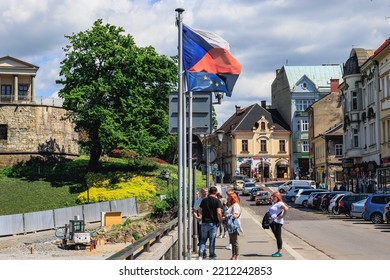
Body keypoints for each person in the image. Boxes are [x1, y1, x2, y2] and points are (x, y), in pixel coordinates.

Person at [197, 186, 223, 260]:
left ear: (209, 191)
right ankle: (211, 256)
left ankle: (200, 255)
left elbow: (200, 210)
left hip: (204, 222)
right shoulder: (217, 201)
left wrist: (204, 214)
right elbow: (219, 212)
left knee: (203, 239)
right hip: (213, 223)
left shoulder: (204, 200)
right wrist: (220, 219)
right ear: (216, 192)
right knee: (212, 240)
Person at [268, 191, 288, 257]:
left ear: (277, 197)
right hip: (273, 222)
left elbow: (286, 208)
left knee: (278, 237)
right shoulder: (275, 203)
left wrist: (282, 216)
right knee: (277, 236)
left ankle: (279, 252)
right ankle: (279, 251)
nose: (272, 198)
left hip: (277, 222)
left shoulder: (280, 203)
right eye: (272, 196)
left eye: (274, 196)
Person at [224, 191, 241, 260]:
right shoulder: (231, 205)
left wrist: (227, 216)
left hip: (233, 225)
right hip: (230, 225)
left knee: (235, 241)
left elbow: (235, 215)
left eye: (229, 198)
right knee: (232, 241)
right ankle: (233, 255)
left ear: (232, 198)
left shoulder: (235, 205)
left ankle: (237, 255)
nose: (228, 199)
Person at [193, 188, 208, 258]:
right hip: (201, 222)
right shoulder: (198, 201)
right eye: (204, 192)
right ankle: (203, 251)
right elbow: (194, 210)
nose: (205, 193)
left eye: (206, 192)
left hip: (209, 222)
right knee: (202, 237)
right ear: (201, 193)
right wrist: (197, 217)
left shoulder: (210, 200)